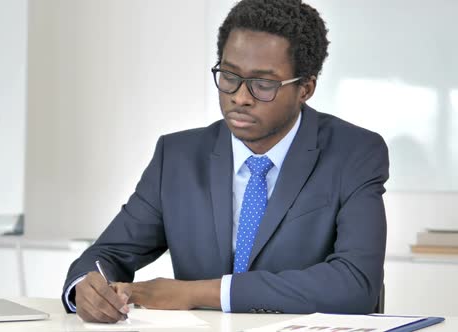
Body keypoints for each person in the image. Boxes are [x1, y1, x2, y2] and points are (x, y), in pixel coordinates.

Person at [62, 0, 389, 323]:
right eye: (229, 76)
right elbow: (107, 255)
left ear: (305, 88)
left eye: (263, 84)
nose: (240, 97)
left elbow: (355, 283)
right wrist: (87, 289)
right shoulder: (177, 157)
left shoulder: (354, 153)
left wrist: (197, 293)